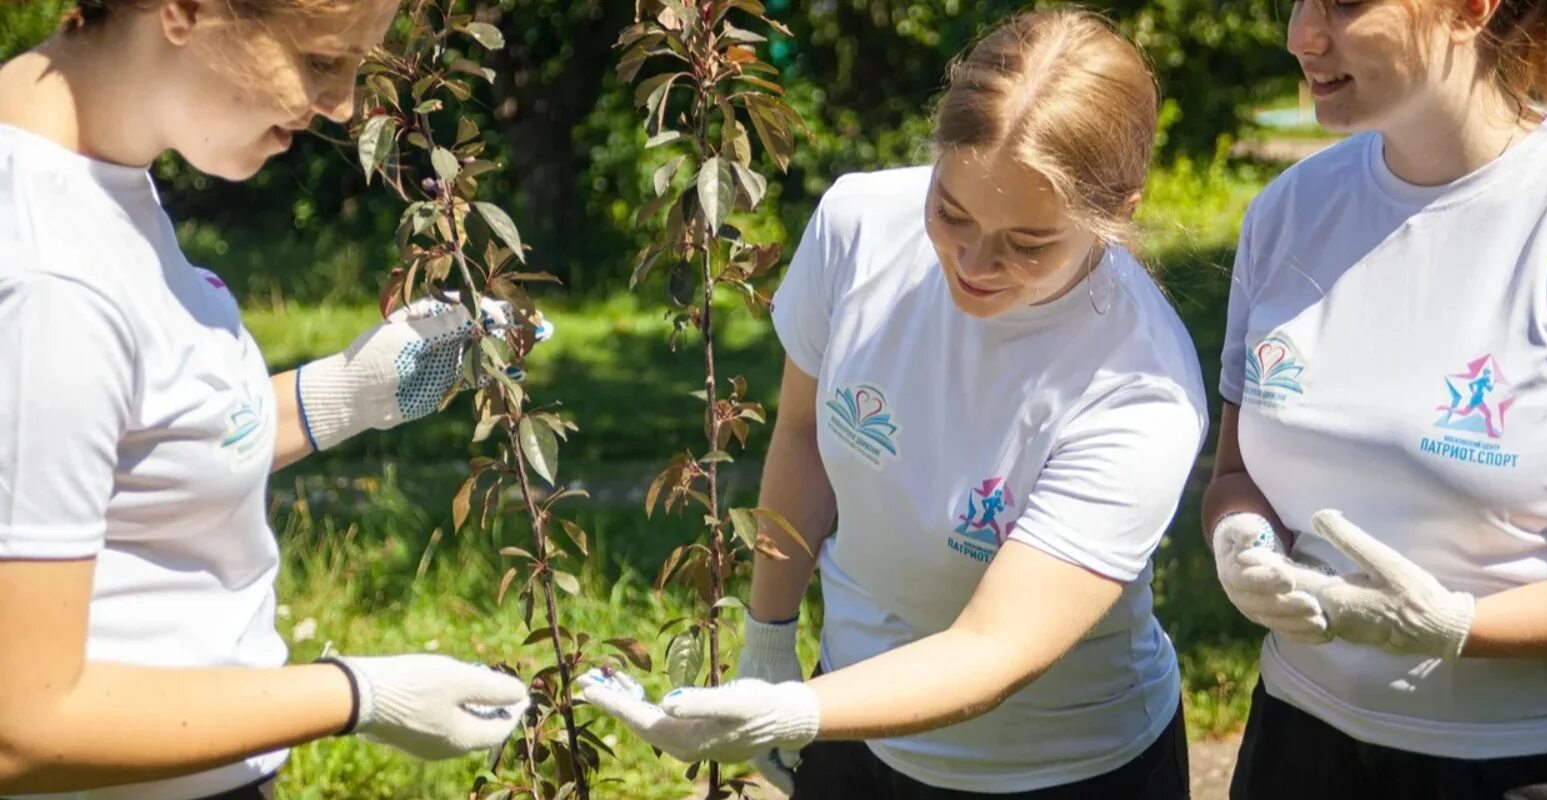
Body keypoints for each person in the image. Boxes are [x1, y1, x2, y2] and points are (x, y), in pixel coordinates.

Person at [579, 9, 1208, 799]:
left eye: (1028, 244)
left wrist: (790, 710)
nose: (975, 262)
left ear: (1117, 216)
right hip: (853, 728)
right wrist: (769, 641)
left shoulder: (1143, 390)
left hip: (1064, 769)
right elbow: (805, 436)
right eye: (952, 212)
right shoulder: (859, 227)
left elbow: (993, 647)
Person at [0, 1, 537, 797]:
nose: (345, 106)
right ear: (183, 10)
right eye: (321, 62)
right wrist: (357, 694)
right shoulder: (46, 274)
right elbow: (24, 726)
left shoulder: (100, 172)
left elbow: (139, 451)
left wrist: (344, 394)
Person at [1203, 0, 1547, 796]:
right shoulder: (1288, 211)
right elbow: (1234, 473)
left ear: (1470, 9)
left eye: (1345, 4)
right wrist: (1238, 535)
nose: (1300, 35)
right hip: (1296, 740)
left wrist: (1461, 628)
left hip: (1531, 764)